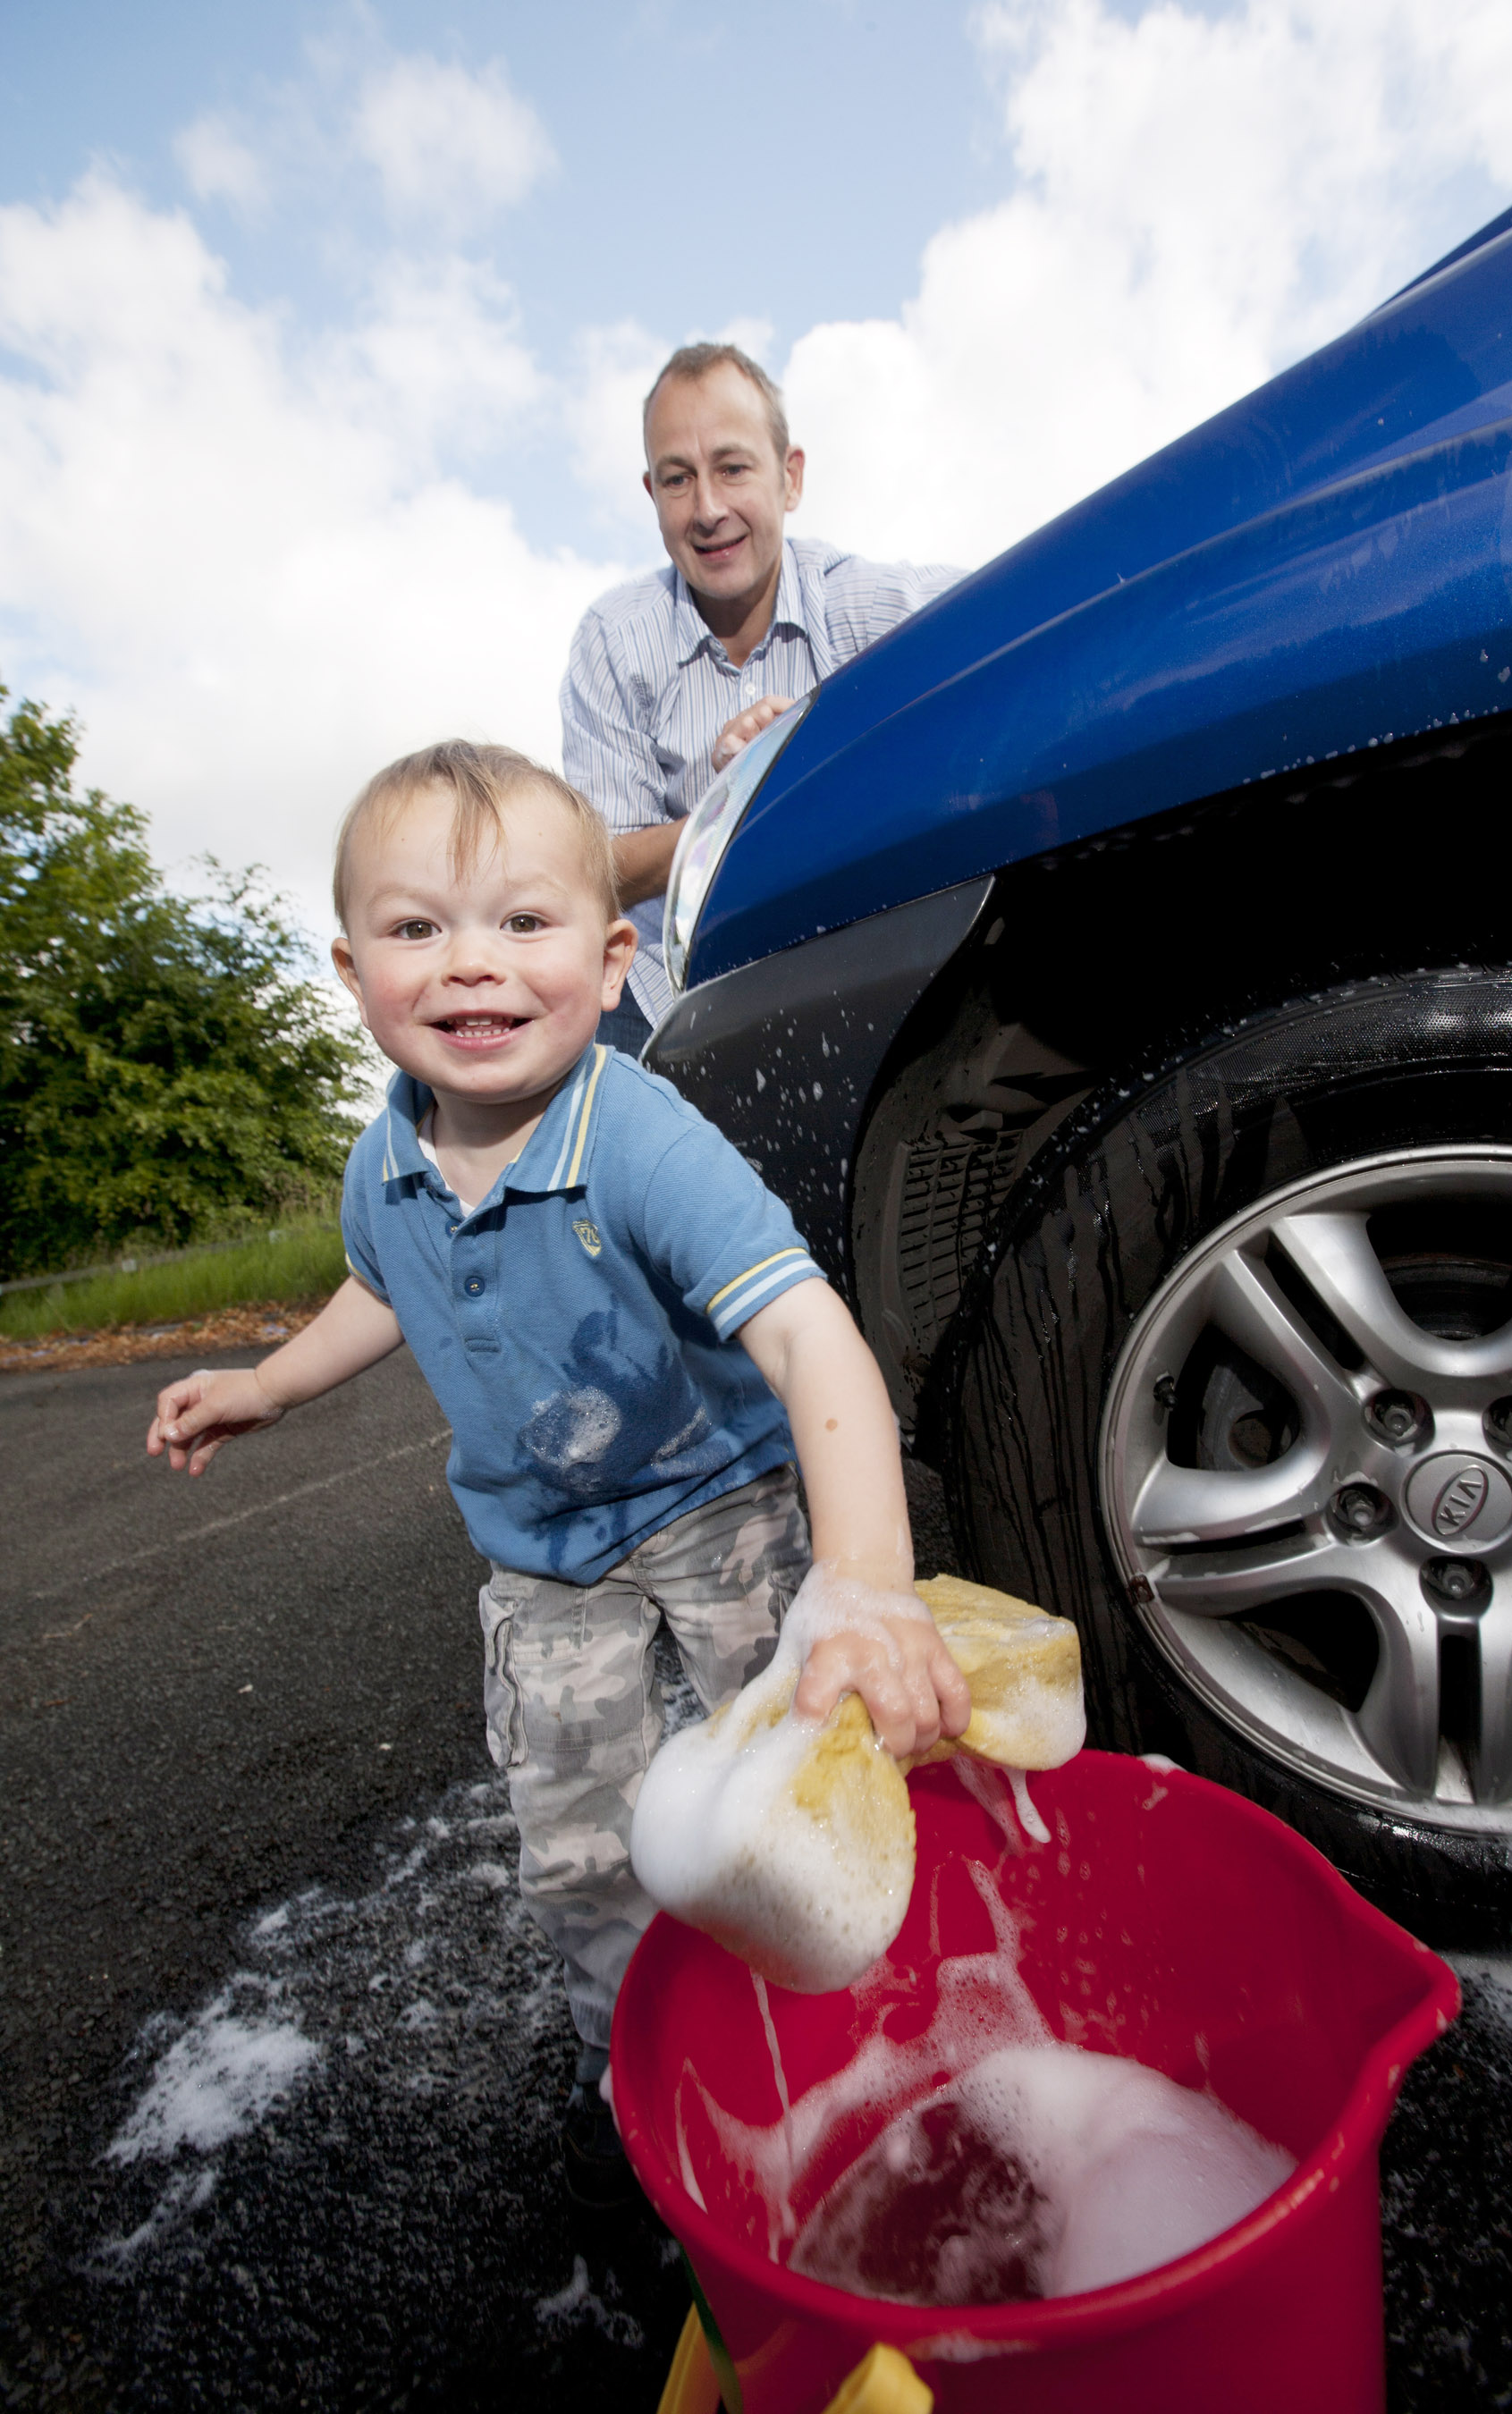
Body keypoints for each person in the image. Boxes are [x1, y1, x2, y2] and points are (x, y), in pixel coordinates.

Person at [146, 740, 970, 2207]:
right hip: (544, 1554)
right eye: (417, 928)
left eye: (521, 924)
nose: (472, 965)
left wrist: (865, 1586)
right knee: (575, 1835)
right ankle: (635, 2062)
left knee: (793, 1755)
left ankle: (867, 2008)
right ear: (353, 968)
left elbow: (806, 1335)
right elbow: (378, 1289)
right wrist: (266, 1383)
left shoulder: (635, 1133)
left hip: (719, 1500)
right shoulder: (380, 1167)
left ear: (608, 958)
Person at [562, 342, 961, 1052]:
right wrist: (733, 808)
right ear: (652, 497)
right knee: (564, 1030)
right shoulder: (614, 641)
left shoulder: (872, 605)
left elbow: (1029, 628)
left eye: (733, 468)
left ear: (790, 476)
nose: (708, 508)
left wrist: (824, 760)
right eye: (678, 479)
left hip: (853, 965)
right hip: (662, 993)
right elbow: (598, 871)